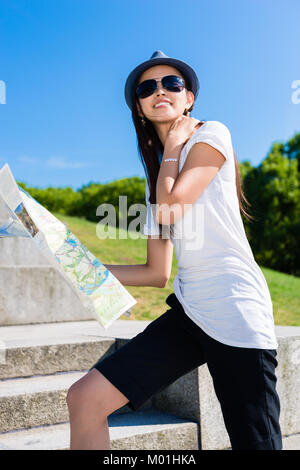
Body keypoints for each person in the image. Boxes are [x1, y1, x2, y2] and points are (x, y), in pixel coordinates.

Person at [66, 50, 282, 450]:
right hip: (189, 311)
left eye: (172, 84)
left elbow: (172, 206)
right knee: (85, 399)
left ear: (189, 98)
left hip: (236, 311)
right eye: (147, 88)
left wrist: (172, 150)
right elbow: (155, 272)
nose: (160, 91)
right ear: (139, 107)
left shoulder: (211, 133)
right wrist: (82, 265)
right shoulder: (157, 180)